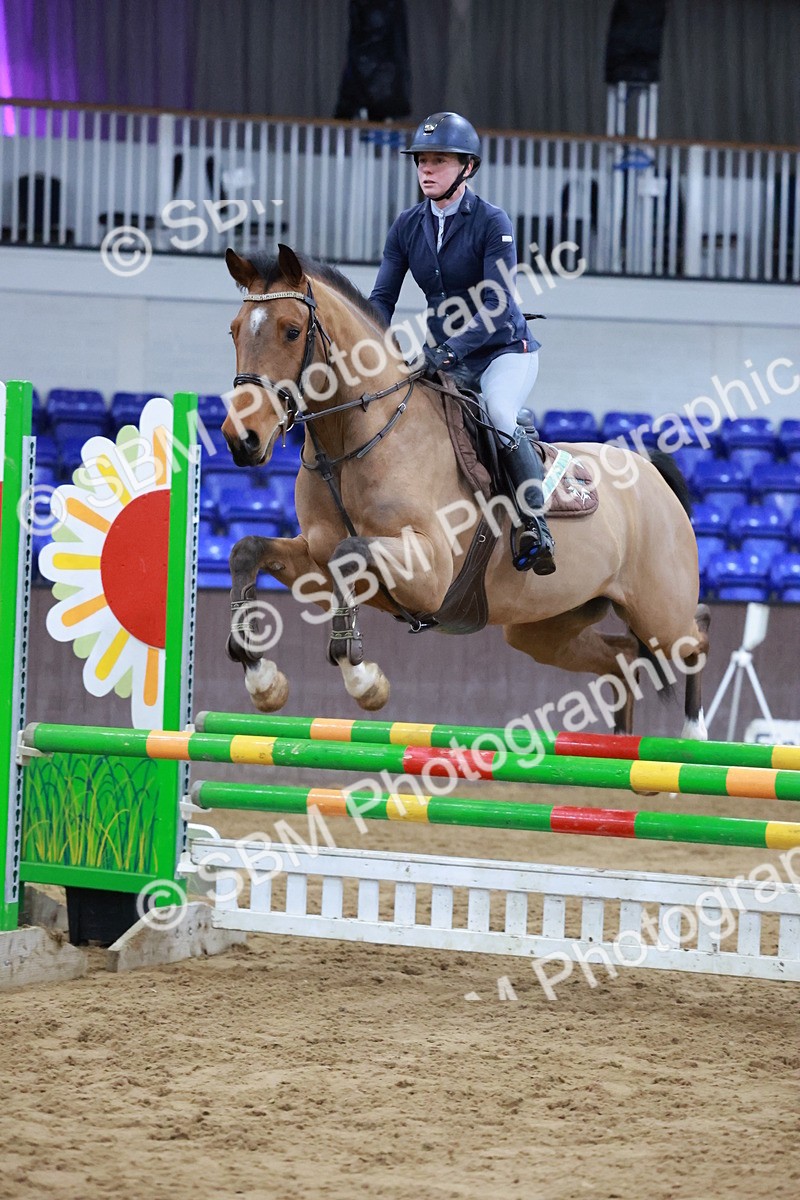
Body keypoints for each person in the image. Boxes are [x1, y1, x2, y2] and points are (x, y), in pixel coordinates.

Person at [369, 111, 555, 575]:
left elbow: (496, 304)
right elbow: (382, 299)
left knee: (499, 413)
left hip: (503, 351)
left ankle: (535, 525)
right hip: (445, 358)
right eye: (421, 161)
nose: (426, 170)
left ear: (467, 167)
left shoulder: (492, 222)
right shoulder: (407, 225)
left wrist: (448, 351)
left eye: (439, 161)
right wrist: (368, 348)